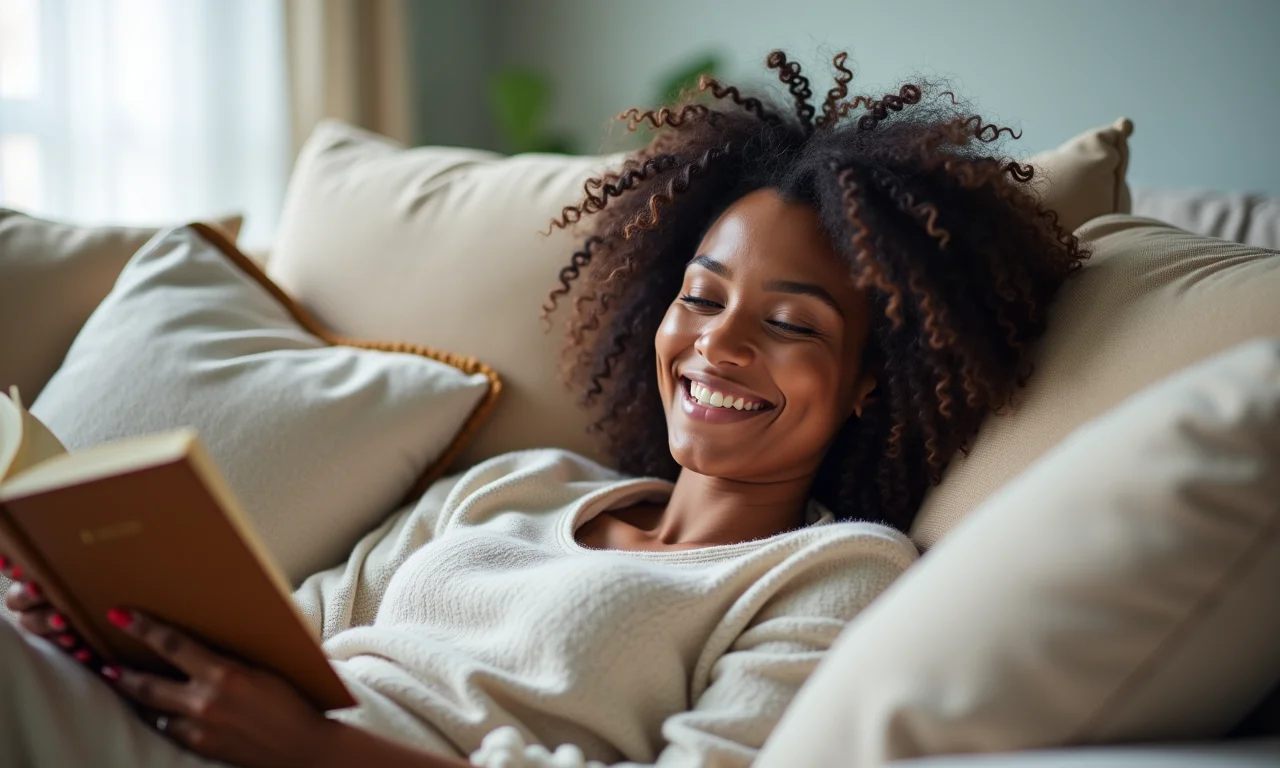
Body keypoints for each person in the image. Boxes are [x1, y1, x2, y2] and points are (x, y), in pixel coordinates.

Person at [0, 50, 1086, 768]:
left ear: (869, 381)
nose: (717, 344)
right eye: (701, 298)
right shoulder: (515, 484)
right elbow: (302, 635)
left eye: (790, 323)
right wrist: (118, 634)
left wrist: (315, 751)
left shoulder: (832, 573)